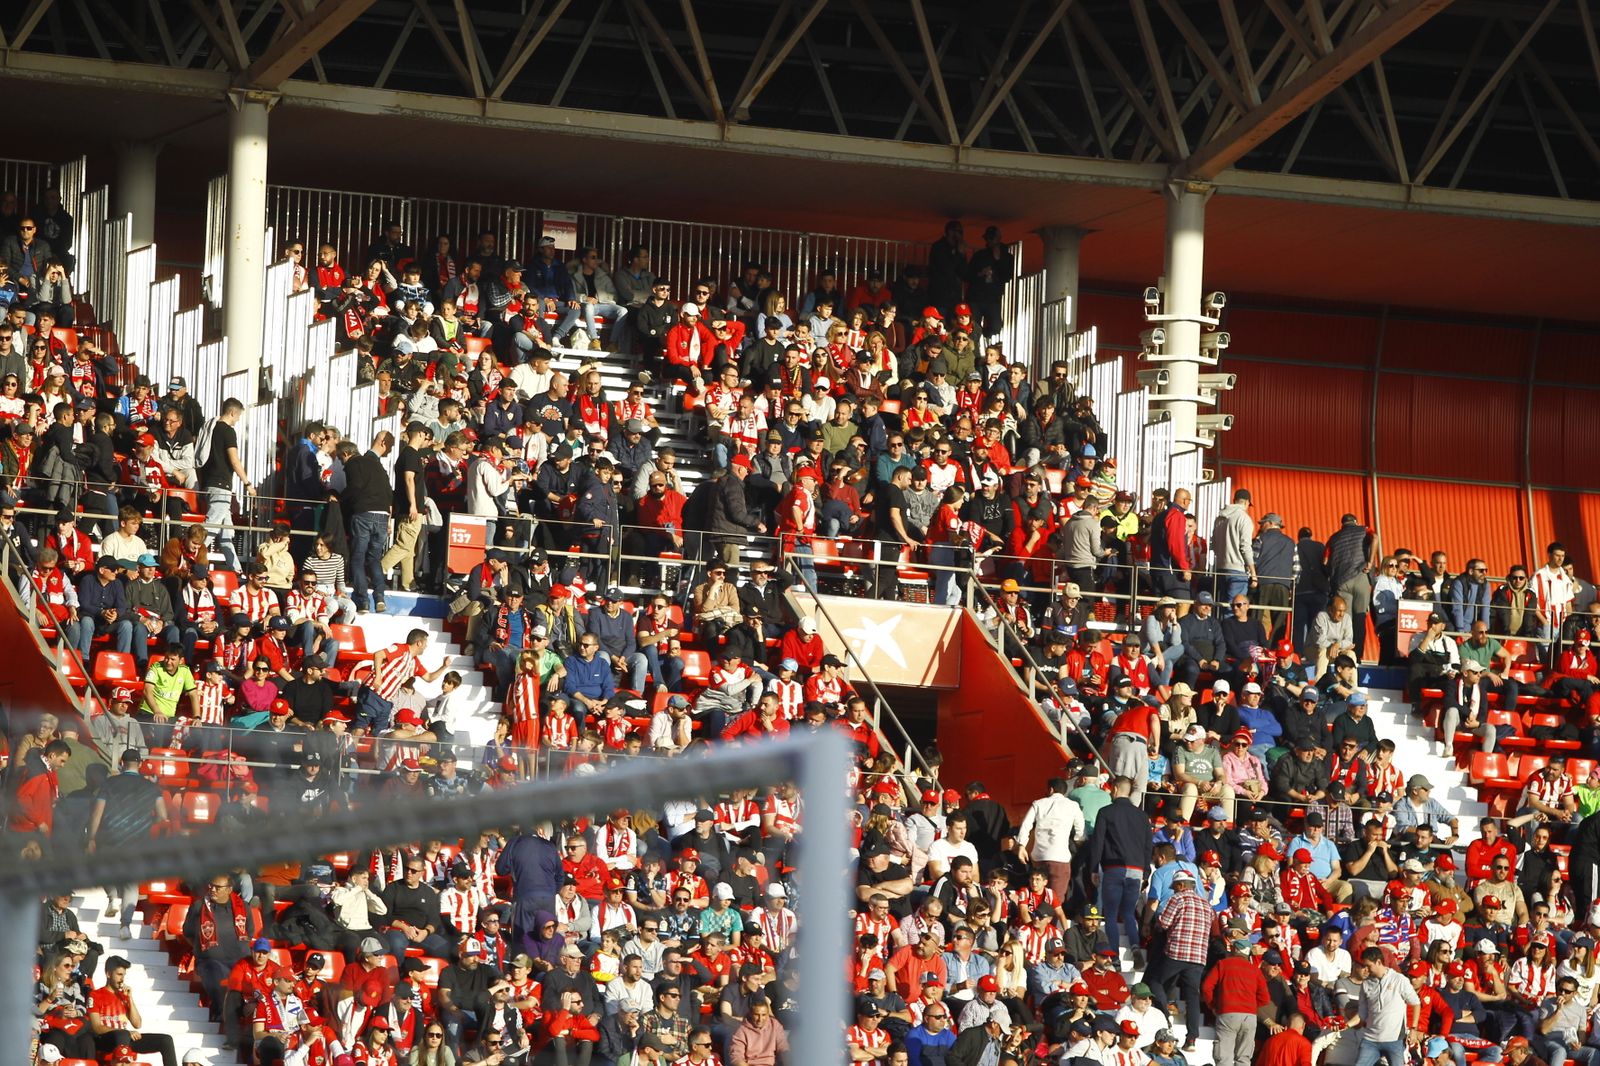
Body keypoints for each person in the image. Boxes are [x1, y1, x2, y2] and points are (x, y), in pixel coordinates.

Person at [1354, 946, 1420, 1066]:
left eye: (1369, 966)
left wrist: (1413, 1029)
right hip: (1370, 1040)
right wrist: (1345, 1025)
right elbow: (1362, 1014)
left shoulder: (1399, 980)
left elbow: (1415, 1003)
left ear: (1378, 962)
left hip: (1394, 1040)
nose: (1366, 970)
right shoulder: (1365, 984)